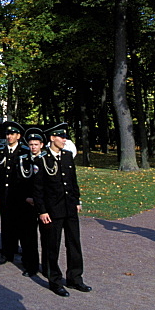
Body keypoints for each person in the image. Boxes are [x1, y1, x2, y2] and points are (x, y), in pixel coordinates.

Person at [33, 123, 90, 296]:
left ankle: (75, 278)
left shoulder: (66, 156)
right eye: (61, 136)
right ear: (52, 138)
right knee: (53, 246)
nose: (65, 139)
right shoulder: (41, 160)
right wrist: (42, 211)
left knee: (74, 244)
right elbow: (38, 189)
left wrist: (77, 200)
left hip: (69, 208)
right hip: (52, 211)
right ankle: (55, 281)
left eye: (65, 136)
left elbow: (73, 181)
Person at [0, 122, 30, 266]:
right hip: (6, 194)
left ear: (18, 136)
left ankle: (24, 255)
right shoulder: (1, 151)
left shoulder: (24, 151)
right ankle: (7, 252)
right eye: (8, 134)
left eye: (12, 134)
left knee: (22, 226)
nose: (9, 137)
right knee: (6, 224)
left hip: (20, 195)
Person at [15, 128, 45, 277]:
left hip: (44, 205)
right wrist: (27, 197)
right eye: (31, 144)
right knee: (29, 237)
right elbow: (19, 182)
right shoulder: (23, 160)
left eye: (36, 144)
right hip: (28, 203)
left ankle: (47, 267)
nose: (33, 147)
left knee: (47, 238)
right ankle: (31, 266)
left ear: (42, 145)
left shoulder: (47, 160)